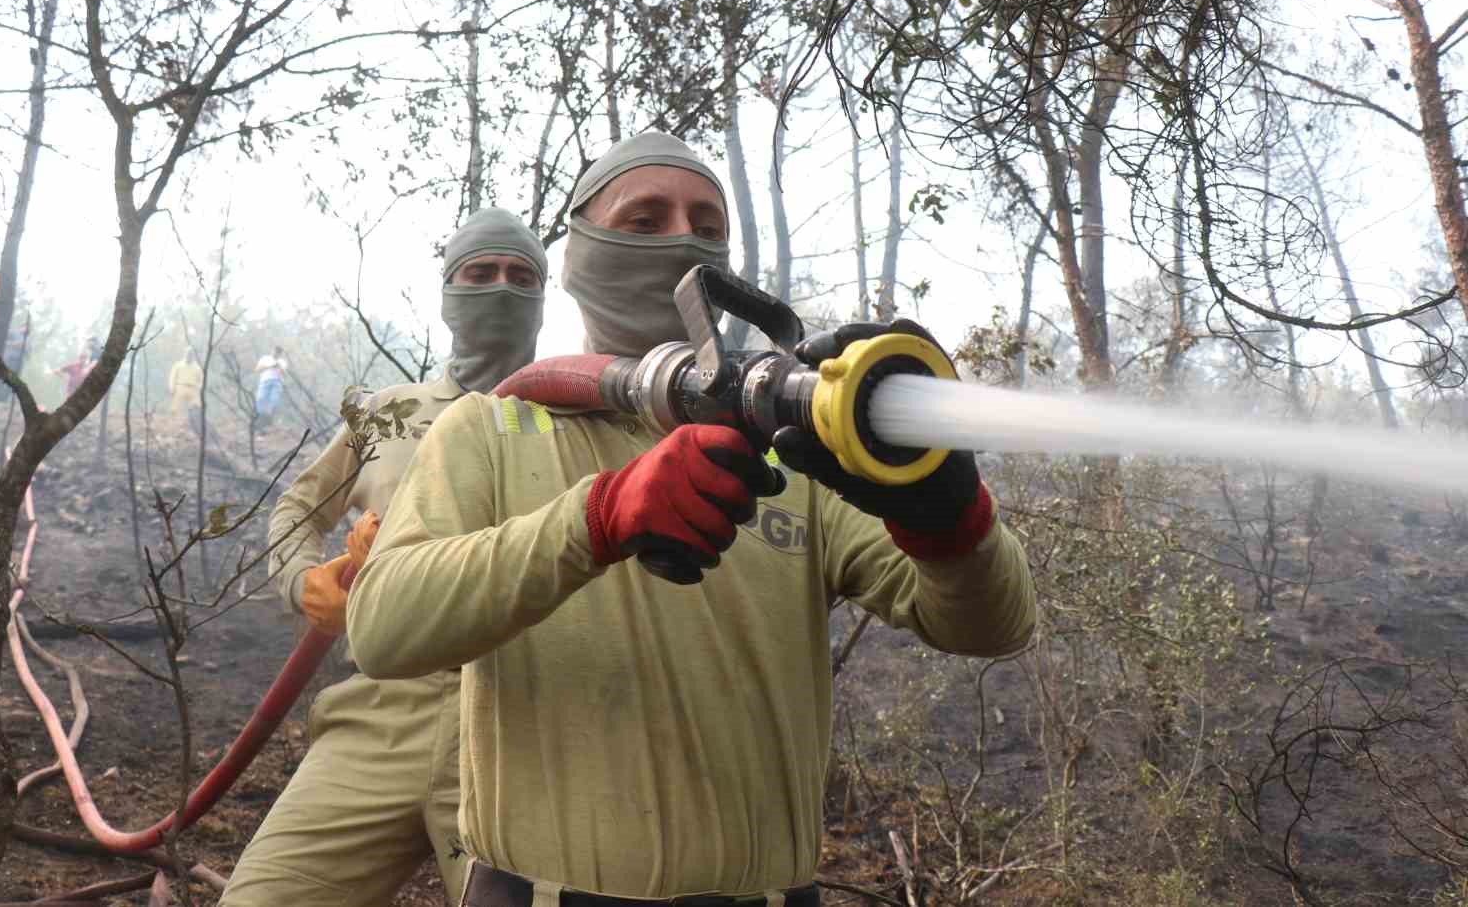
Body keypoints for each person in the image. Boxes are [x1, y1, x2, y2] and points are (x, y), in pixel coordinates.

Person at [347, 132, 1036, 907]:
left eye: (708, 226)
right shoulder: (493, 427)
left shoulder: (787, 454)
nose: (683, 238)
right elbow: (382, 628)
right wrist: (598, 519)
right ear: (582, 253)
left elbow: (993, 626)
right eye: (645, 219)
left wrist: (946, 515)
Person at [220, 207, 548, 907]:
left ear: (544, 300)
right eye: (479, 273)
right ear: (448, 293)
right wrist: (302, 580)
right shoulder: (390, 413)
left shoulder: (571, 416)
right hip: (379, 711)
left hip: (527, 721)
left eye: (522, 277)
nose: (500, 289)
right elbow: (298, 507)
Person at [253, 345, 288, 423]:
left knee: (273, 399)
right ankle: (260, 415)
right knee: (260, 398)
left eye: (279, 353)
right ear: (272, 351)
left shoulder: (282, 362)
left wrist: (279, 367)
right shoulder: (265, 359)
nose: (276, 354)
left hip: (277, 381)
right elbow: (257, 369)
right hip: (265, 380)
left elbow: (284, 374)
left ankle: (268, 415)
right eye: (275, 352)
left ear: (281, 354)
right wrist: (270, 366)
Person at [167, 348, 203, 421]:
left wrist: (199, 388)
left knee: (196, 405)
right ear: (185, 354)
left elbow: (201, 379)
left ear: (193, 355)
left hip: (193, 388)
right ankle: (173, 420)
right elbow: (172, 377)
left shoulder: (197, 367)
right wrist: (172, 388)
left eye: (191, 354)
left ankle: (195, 420)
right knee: (175, 406)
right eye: (188, 354)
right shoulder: (178, 365)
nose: (189, 355)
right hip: (180, 387)